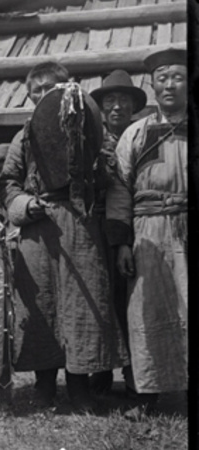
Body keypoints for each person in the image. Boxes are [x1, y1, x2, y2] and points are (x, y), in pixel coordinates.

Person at [0, 61, 128, 411]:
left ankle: (79, 387)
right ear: (30, 97)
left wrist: (98, 165)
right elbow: (9, 182)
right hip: (37, 230)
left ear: (65, 90)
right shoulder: (24, 136)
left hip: (80, 226)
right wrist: (25, 204)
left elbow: (108, 175)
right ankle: (44, 386)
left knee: (81, 305)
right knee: (40, 306)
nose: (43, 94)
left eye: (49, 88)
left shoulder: (88, 130)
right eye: (36, 90)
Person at [105, 48, 187, 418]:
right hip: (147, 234)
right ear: (152, 86)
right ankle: (146, 395)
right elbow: (120, 190)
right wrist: (121, 242)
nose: (170, 85)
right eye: (163, 78)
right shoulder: (136, 134)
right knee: (147, 312)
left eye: (178, 77)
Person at [87, 69, 147, 395]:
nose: (116, 107)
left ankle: (137, 376)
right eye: (110, 100)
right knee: (102, 298)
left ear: (133, 106)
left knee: (133, 301)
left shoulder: (142, 136)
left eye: (124, 100)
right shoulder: (92, 140)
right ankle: (100, 376)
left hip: (138, 228)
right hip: (97, 231)